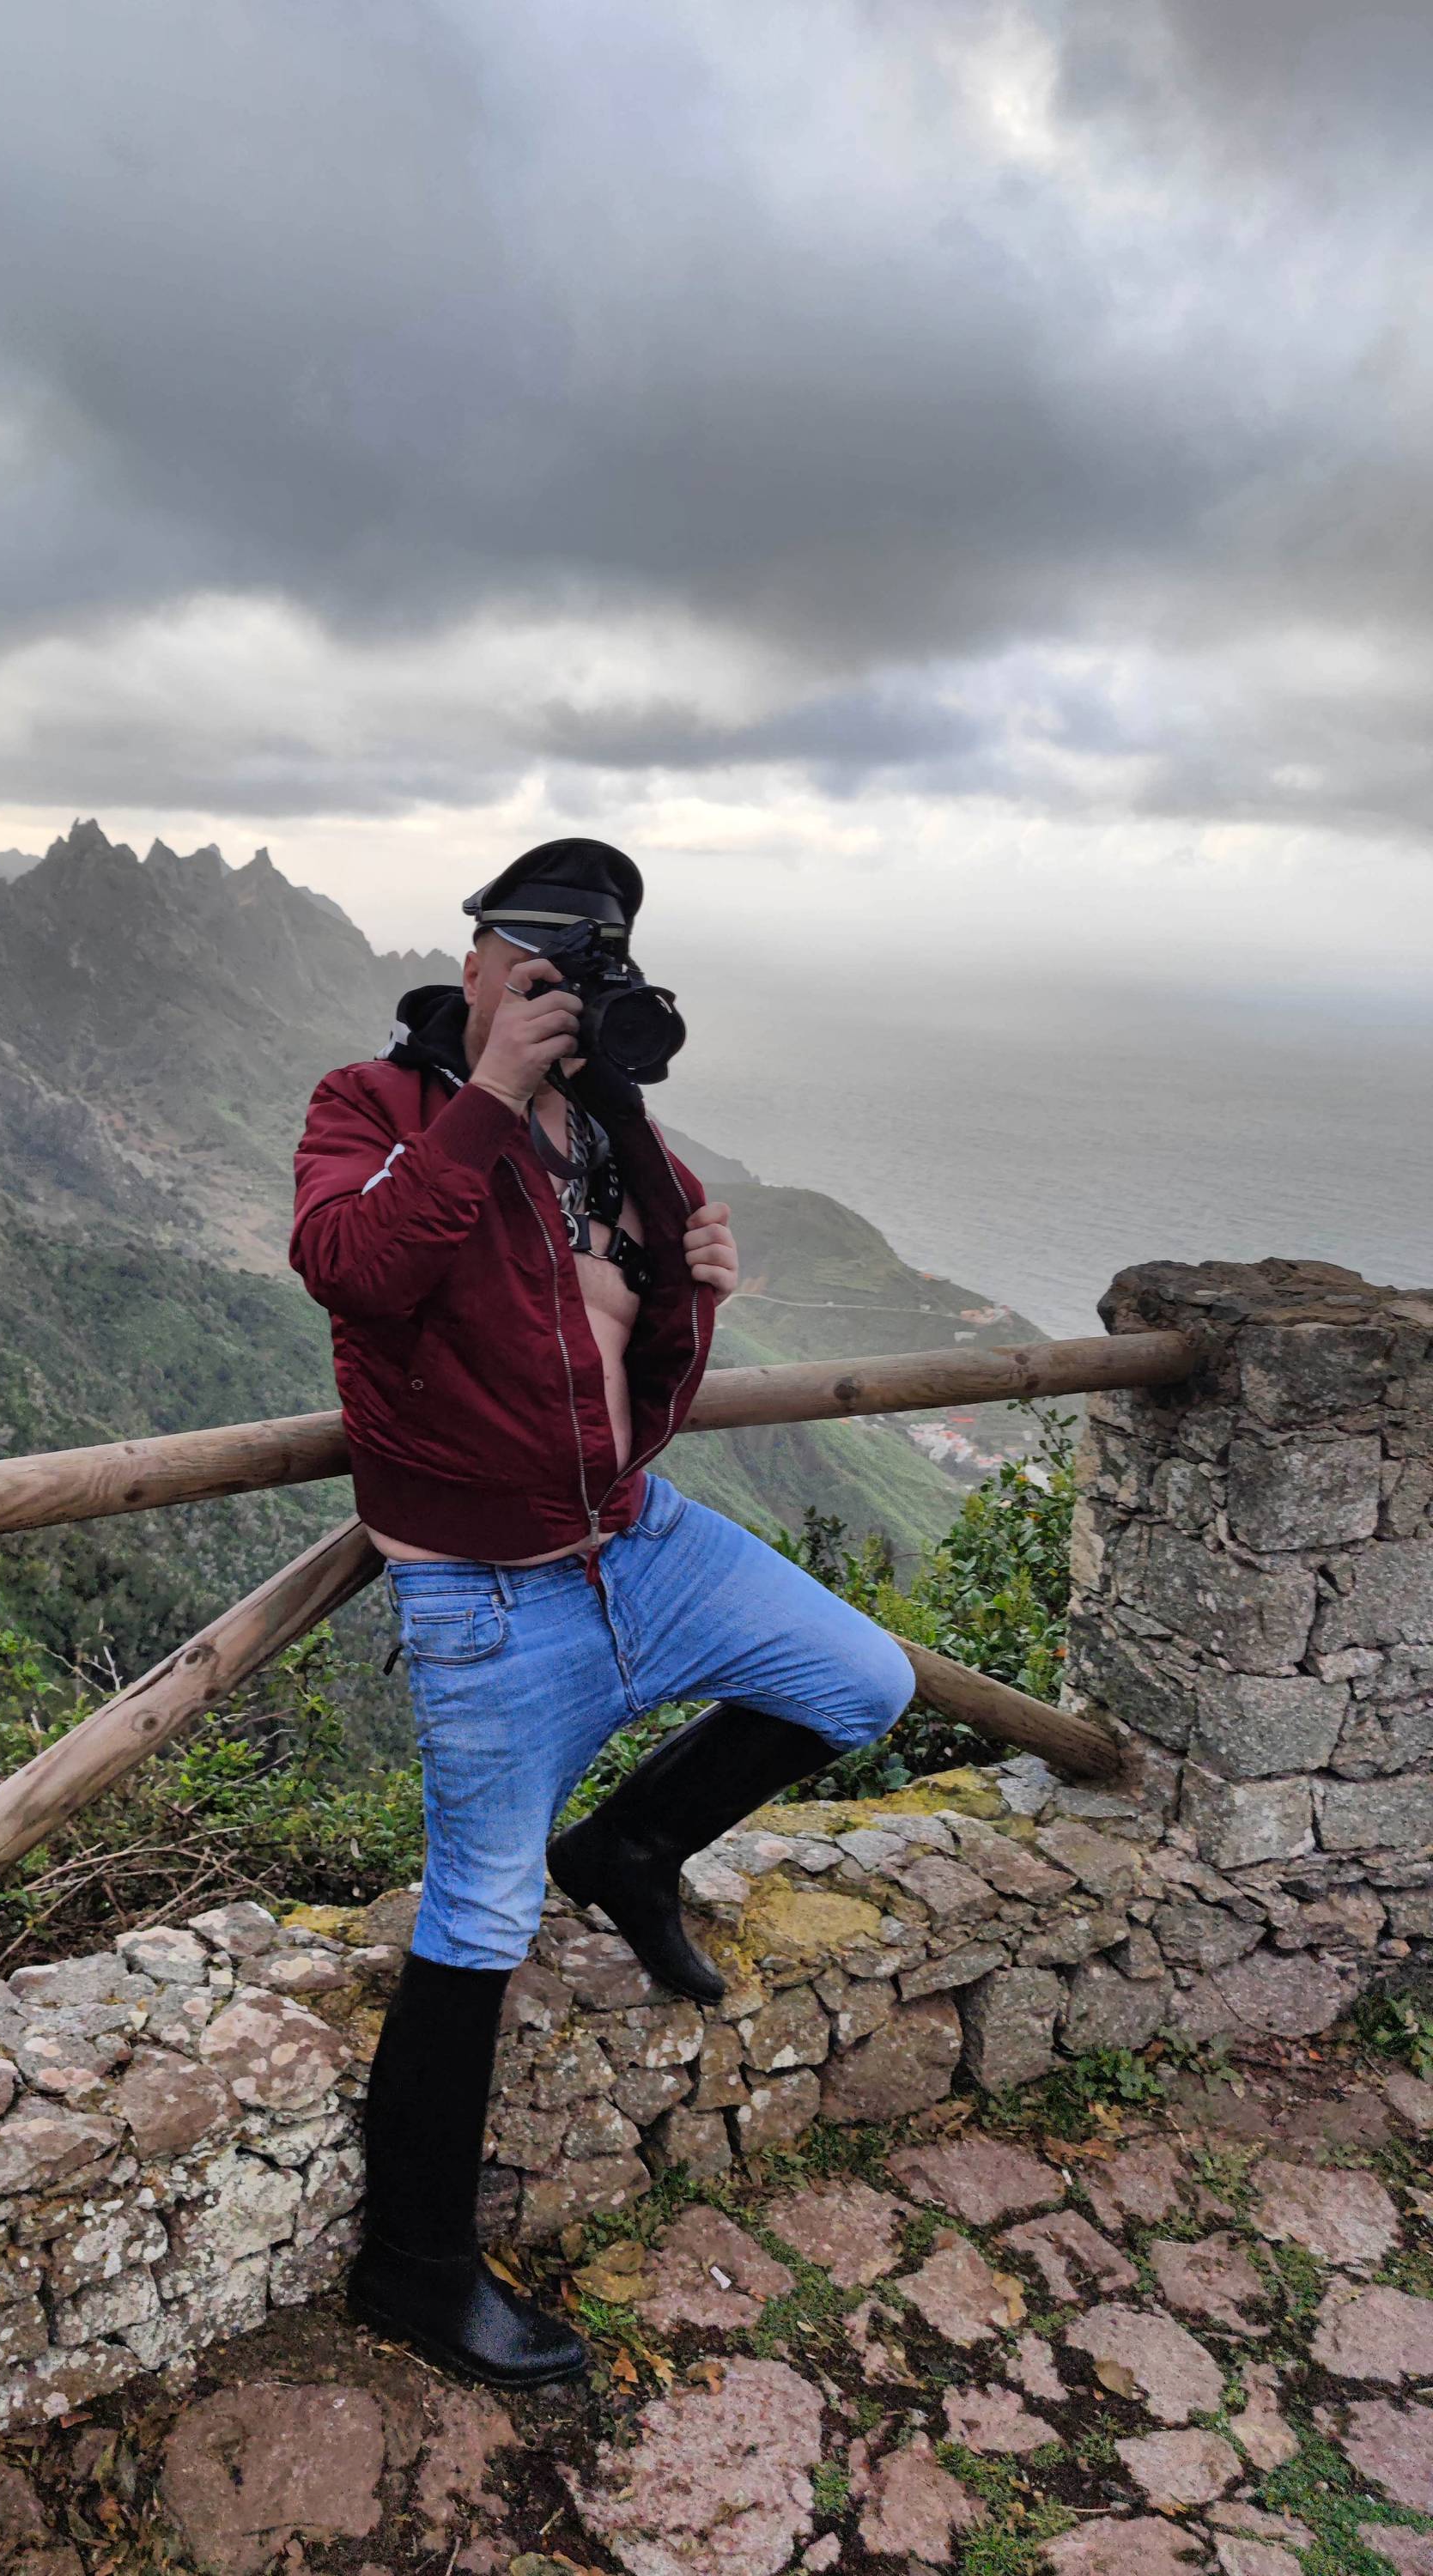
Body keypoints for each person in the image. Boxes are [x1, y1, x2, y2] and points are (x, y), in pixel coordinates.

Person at [289, 839, 915, 2387]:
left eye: (586, 970)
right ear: (476, 961)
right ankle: (414, 2265)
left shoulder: (625, 1135)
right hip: (483, 1587)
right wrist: (495, 1088)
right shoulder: (373, 1104)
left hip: (639, 1540)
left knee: (863, 1679)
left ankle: (630, 1849)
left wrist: (700, 1284)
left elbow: (642, 1364)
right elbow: (351, 1268)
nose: (557, 995)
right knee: (478, 1920)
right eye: (533, 964)